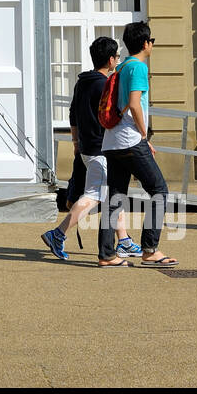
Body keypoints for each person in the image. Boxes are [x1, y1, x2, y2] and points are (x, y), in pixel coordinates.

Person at [40, 37, 141, 261]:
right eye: (116, 57)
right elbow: (112, 116)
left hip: (87, 147)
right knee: (96, 195)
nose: (118, 60)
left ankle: (123, 240)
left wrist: (76, 144)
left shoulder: (83, 82)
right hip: (100, 149)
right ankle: (58, 233)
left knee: (111, 194)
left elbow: (72, 114)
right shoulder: (104, 84)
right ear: (111, 60)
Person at [99, 20, 178, 267]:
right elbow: (134, 104)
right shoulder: (139, 68)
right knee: (159, 191)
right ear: (145, 43)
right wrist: (144, 135)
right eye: (151, 41)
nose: (152, 45)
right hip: (131, 139)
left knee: (115, 197)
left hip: (112, 140)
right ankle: (150, 249)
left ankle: (106, 255)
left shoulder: (121, 67)